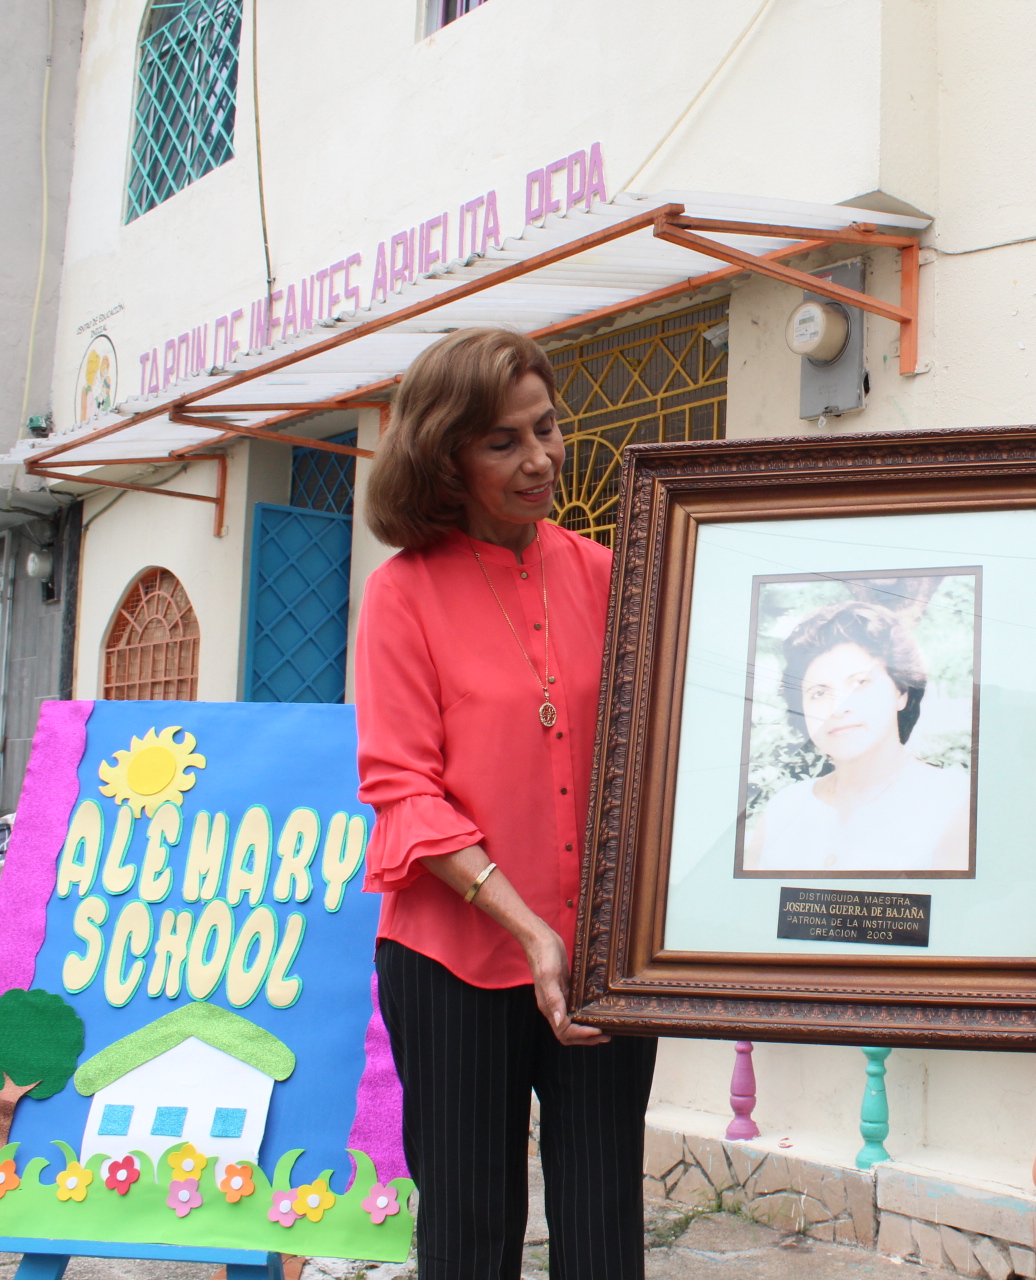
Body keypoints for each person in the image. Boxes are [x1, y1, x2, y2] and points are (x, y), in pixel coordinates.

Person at [354, 326, 656, 1280]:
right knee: (470, 1231)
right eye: (504, 442)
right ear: (446, 456)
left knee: (603, 1223)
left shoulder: (612, 575)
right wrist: (530, 931)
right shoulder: (400, 596)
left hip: (605, 955)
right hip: (454, 960)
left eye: (548, 429)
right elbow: (402, 791)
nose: (541, 459)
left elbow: (661, 752)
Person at [743, 599, 970, 874]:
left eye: (860, 683)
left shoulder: (955, 801)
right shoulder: (785, 808)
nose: (838, 707)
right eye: (818, 693)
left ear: (901, 692)